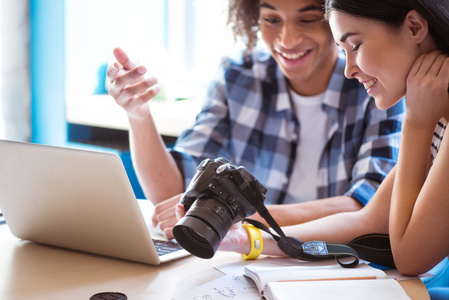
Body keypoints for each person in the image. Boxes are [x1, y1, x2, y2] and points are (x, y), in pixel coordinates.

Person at [210, 0, 449, 298]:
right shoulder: (438, 116)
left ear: (414, 27)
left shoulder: (426, 117)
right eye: (343, 51)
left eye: (356, 46)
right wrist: (248, 239)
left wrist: (416, 120)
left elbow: (411, 257)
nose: (349, 69)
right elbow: (372, 221)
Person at [107, 0, 404, 239]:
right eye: (272, 20)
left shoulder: (374, 82)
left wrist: (235, 214)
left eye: (307, 19)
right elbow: (177, 196)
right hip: (251, 261)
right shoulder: (238, 75)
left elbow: (367, 205)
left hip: (335, 264)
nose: (287, 39)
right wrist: (139, 114)